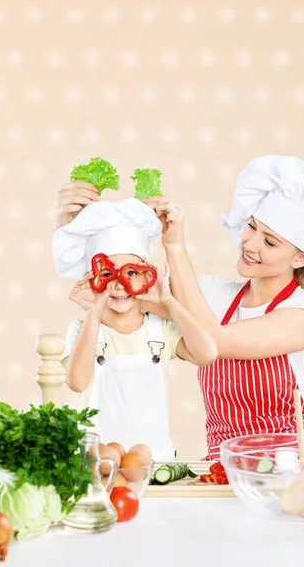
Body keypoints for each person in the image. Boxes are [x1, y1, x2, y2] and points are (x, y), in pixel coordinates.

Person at [142, 155, 304, 459]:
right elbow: (124, 292)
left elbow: (213, 341)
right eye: (251, 227)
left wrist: (176, 247)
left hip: (288, 472)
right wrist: (81, 225)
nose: (250, 244)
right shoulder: (215, 296)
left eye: (270, 242)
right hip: (223, 468)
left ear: (300, 258)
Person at [52, 197, 217, 461]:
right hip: (94, 466)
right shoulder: (83, 329)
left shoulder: (159, 330)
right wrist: (94, 312)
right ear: (92, 278)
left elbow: (207, 353)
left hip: (154, 462)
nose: (118, 285)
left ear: (146, 275)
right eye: (107, 275)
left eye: (130, 273)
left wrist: (168, 301)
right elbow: (77, 382)